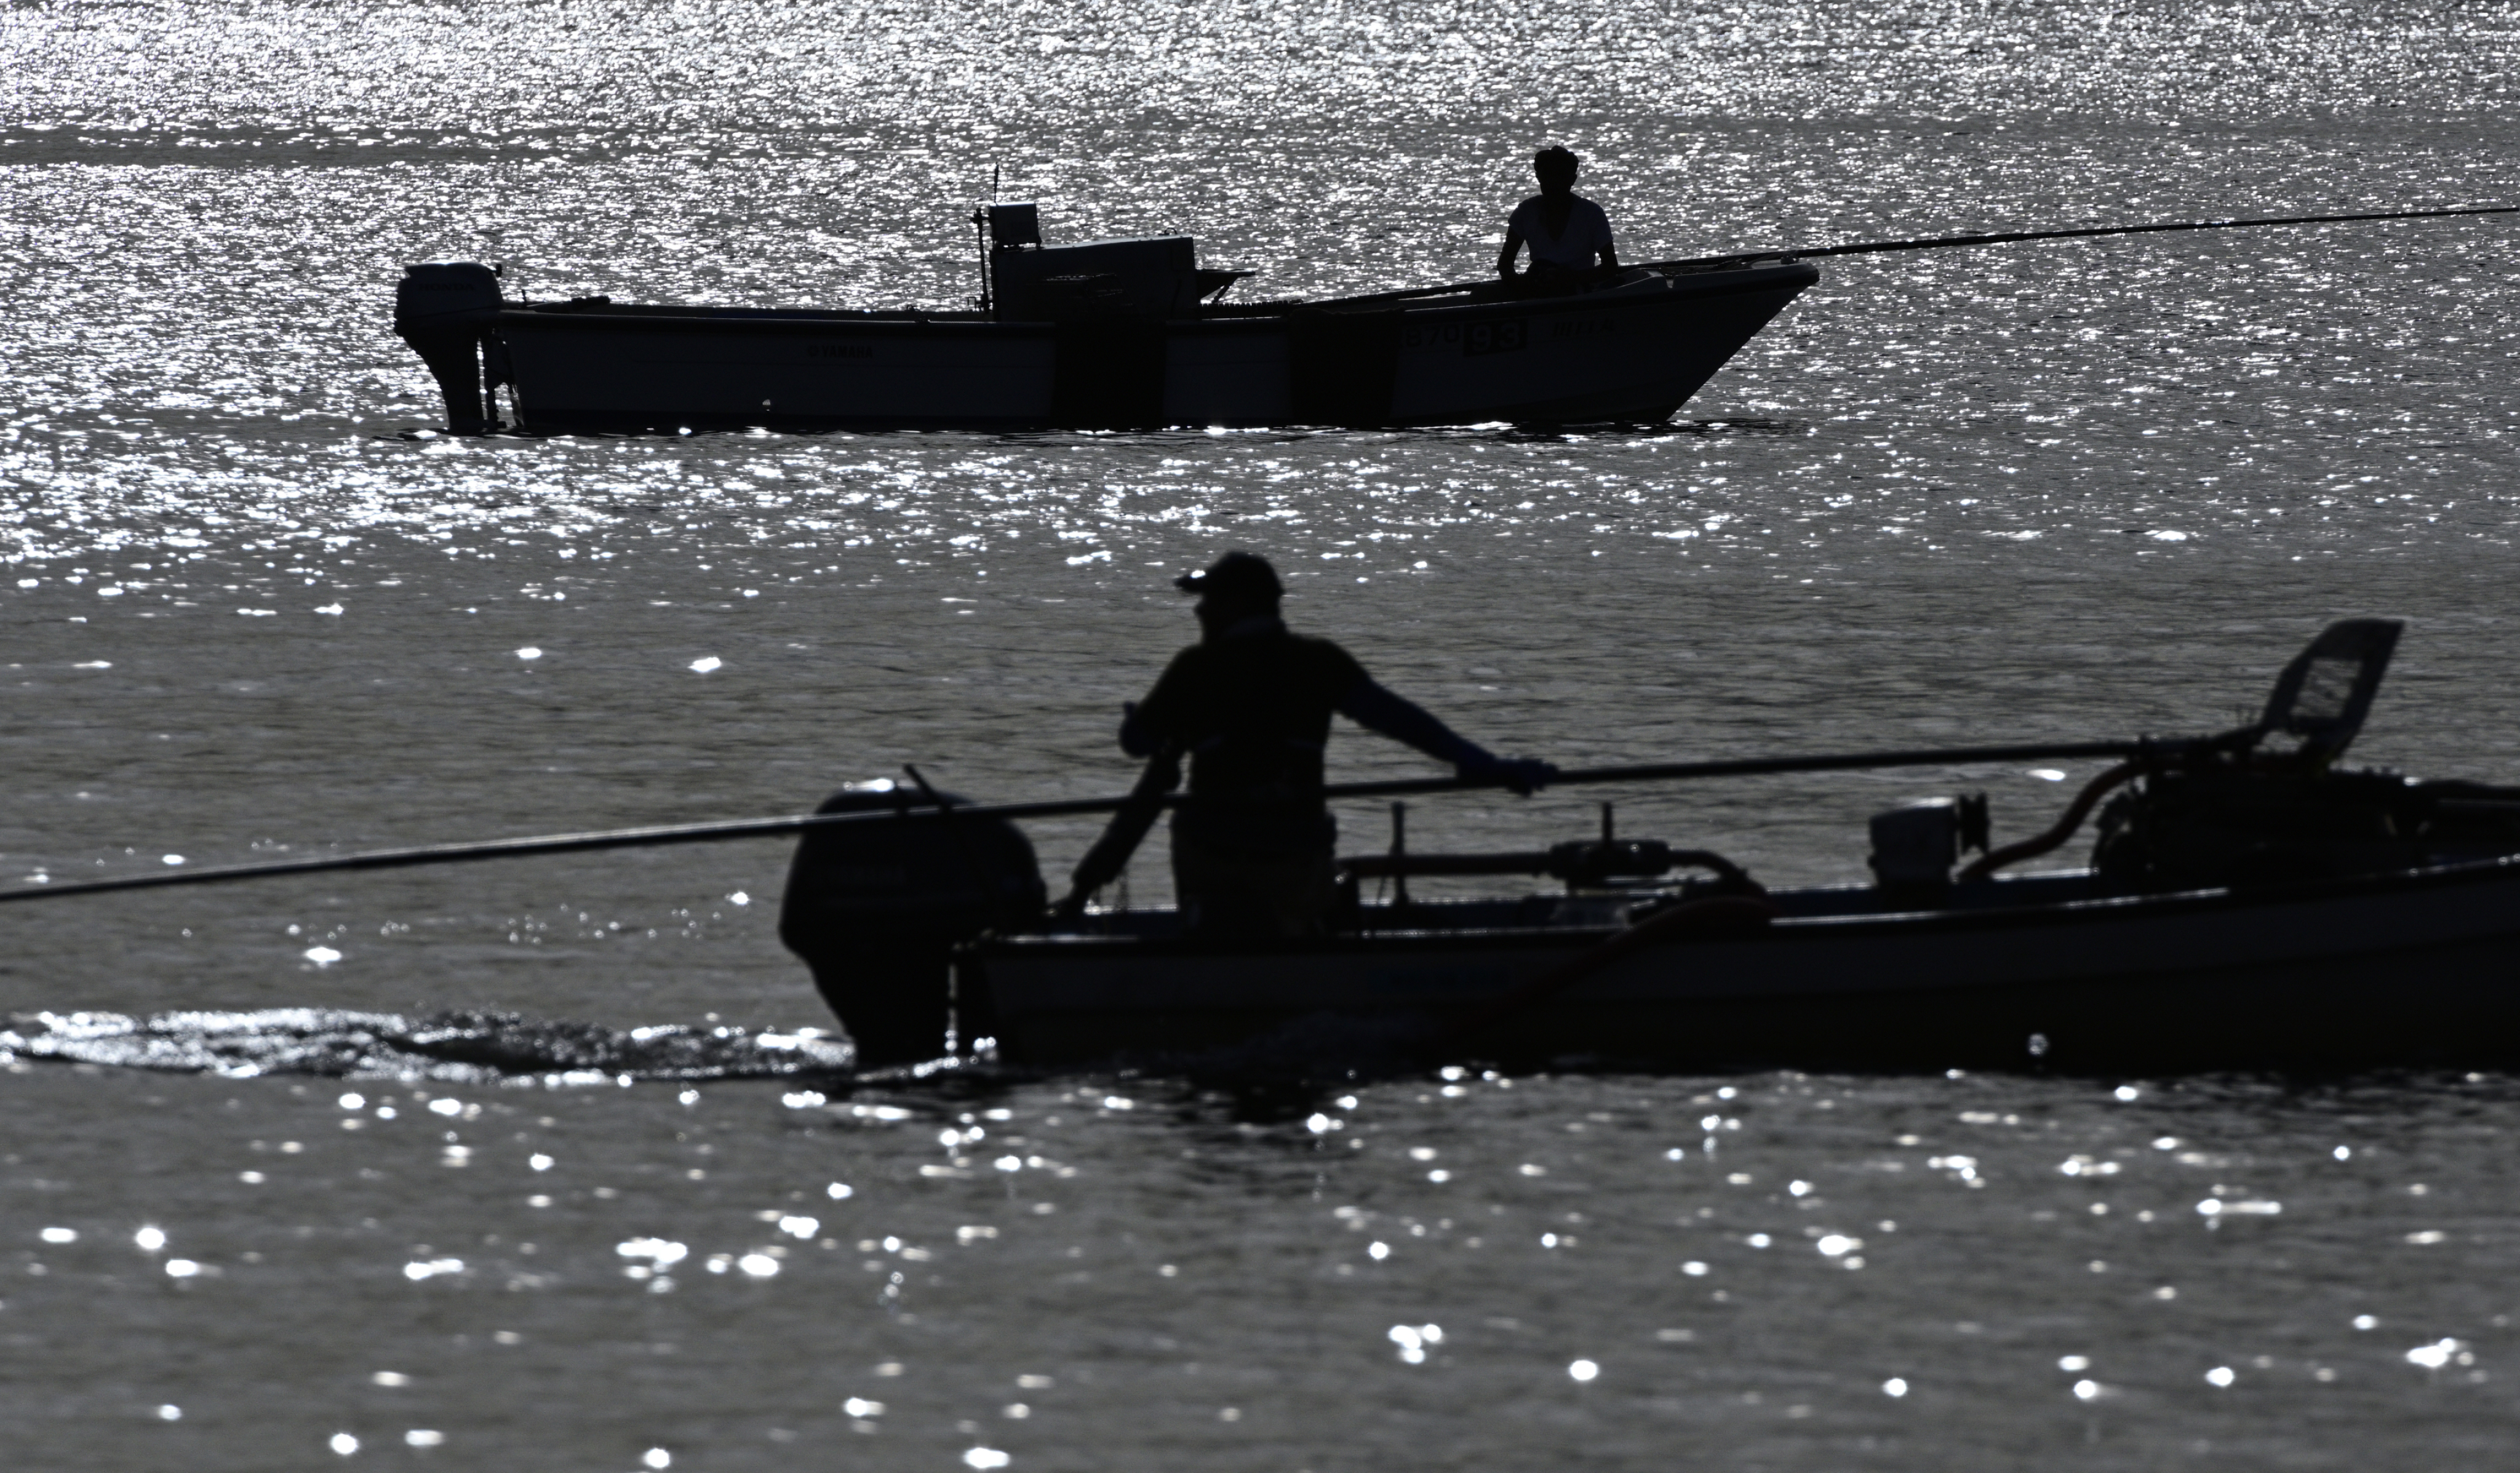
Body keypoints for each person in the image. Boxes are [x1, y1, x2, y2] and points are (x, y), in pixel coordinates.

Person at [1119, 552, 1555, 938]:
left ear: (1236, 605)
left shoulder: (1195, 668)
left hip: (1210, 854)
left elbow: (1136, 743)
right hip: (1295, 854)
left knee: (1197, 846)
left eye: (1209, 600)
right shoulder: (1319, 662)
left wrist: (1141, 722)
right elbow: (1400, 720)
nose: (1200, 611)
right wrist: (1479, 762)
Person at [1497, 146, 1619, 291]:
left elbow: (1610, 267)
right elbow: (1505, 265)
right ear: (1539, 178)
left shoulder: (1593, 214)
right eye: (1548, 175)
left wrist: (1570, 278)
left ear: (1572, 180)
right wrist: (1522, 284)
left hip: (1580, 292)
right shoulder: (1525, 212)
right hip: (1537, 289)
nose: (1554, 183)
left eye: (1561, 176)